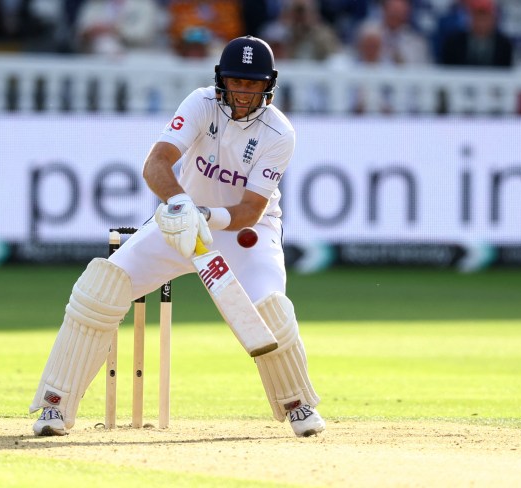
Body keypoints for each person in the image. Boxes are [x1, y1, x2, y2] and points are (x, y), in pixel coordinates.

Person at [29, 35, 326, 438]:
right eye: (237, 82)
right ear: (222, 79)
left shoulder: (279, 133)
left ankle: (297, 403)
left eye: (252, 84)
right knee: (100, 288)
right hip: (178, 226)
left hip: (244, 234)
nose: (243, 93)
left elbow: (250, 210)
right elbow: (156, 165)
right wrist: (183, 208)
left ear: (268, 86)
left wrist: (203, 214)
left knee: (270, 309)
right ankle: (55, 405)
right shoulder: (201, 104)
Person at [439, 0, 513, 68]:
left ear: (494, 19)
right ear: (470, 19)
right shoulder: (453, 43)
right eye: (478, 17)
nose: (481, 22)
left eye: (485, 18)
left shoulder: (504, 45)